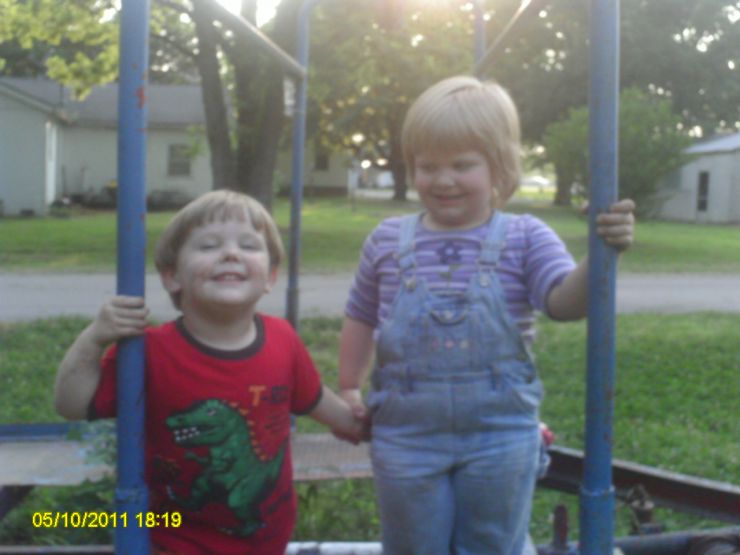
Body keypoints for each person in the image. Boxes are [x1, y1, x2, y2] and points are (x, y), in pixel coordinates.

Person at [337, 76, 636, 555]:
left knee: (491, 545)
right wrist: (349, 385)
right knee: (412, 546)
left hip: (500, 437)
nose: (443, 180)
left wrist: (602, 256)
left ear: (499, 166)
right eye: (427, 166)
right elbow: (360, 315)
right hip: (406, 435)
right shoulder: (387, 239)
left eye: (461, 165)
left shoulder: (525, 236)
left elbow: (564, 304)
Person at [54, 190, 364, 555]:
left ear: (270, 277)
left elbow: (313, 397)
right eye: (208, 246)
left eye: (248, 245)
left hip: (266, 538)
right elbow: (71, 404)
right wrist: (93, 338)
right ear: (172, 276)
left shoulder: (283, 339)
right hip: (174, 539)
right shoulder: (149, 350)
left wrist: (356, 424)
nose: (231, 254)